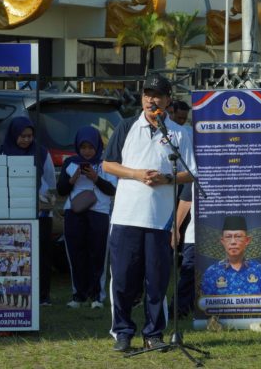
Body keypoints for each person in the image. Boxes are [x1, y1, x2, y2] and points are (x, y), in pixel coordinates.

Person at [103, 74, 196, 352]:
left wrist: (166, 179)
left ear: (168, 101)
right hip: (125, 217)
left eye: (157, 95)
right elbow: (108, 165)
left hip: (160, 219)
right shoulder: (127, 126)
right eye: (146, 94)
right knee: (122, 279)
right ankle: (122, 332)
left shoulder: (179, 133)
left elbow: (191, 174)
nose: (150, 99)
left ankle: (153, 333)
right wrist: (136, 173)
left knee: (156, 280)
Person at [57, 126, 117, 309]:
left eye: (91, 147)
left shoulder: (105, 163)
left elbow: (112, 190)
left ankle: (98, 296)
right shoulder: (70, 163)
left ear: (98, 146)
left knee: (98, 254)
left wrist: (95, 178)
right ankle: (78, 295)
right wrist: (73, 178)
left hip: (99, 213)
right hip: (74, 213)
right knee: (76, 255)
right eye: (83, 147)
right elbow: (61, 191)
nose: (87, 151)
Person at [0, 116, 56, 306]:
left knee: (42, 256)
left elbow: (49, 180)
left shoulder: (41, 152)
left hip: (40, 212)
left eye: (30, 136)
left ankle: (43, 296)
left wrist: (44, 200)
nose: (26, 140)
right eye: (22, 136)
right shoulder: (3, 154)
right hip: (15, 212)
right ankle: (19, 293)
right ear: (14, 134)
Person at [201, 216, 261, 295]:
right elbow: (206, 304)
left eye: (238, 236)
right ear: (222, 241)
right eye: (228, 237)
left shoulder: (259, 270)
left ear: (247, 240)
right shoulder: (212, 272)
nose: (233, 242)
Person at [171, 183, 196, 318]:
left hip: (232, 234)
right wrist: (176, 228)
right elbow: (186, 200)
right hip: (197, 234)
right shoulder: (197, 166)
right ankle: (179, 310)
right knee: (189, 273)